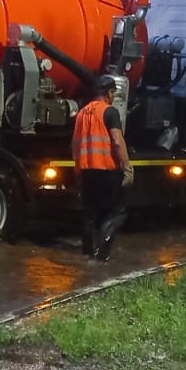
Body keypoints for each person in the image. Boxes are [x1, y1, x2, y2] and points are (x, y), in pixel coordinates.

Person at [72, 74, 133, 261]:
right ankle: (103, 253)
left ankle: (88, 254)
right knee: (117, 211)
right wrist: (127, 166)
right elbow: (117, 140)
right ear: (110, 92)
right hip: (107, 171)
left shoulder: (82, 113)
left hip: (87, 171)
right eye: (113, 92)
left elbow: (75, 144)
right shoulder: (110, 112)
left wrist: (78, 171)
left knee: (90, 214)